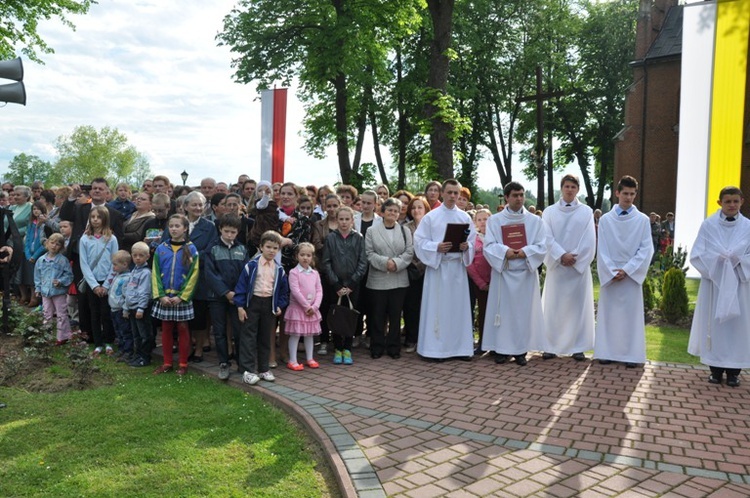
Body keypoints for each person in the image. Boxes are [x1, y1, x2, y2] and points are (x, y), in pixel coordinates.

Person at [688, 186, 750, 387]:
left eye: (735, 201)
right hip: (715, 286)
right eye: (727, 201)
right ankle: (715, 369)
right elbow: (697, 254)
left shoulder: (748, 226)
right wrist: (719, 262)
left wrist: (738, 261)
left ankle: (734, 372)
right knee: (715, 326)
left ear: (742, 201)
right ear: (719, 203)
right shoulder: (708, 225)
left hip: (739, 285)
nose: (732, 205)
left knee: (737, 327)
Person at [482, 182, 548, 366]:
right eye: (515, 195)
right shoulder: (495, 220)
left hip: (526, 273)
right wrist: (505, 252)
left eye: (521, 195)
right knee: (502, 313)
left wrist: (525, 251)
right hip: (504, 273)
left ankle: (521, 350)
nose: (519, 198)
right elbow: (489, 245)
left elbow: (542, 246)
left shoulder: (535, 221)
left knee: (522, 314)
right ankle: (501, 350)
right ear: (506, 197)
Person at [594, 175, 654, 368]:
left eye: (632, 194)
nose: (628, 198)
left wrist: (627, 270)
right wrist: (612, 271)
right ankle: (606, 352)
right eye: (625, 193)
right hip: (612, 275)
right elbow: (601, 249)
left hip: (630, 275)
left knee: (630, 316)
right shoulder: (606, 220)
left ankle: (631, 355)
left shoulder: (643, 220)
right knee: (609, 315)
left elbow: (646, 249)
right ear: (617, 193)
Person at [413, 179, 476, 360]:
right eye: (449, 192)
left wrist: (466, 247)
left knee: (458, 310)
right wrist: (436, 247)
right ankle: (435, 350)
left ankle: (460, 349)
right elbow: (419, 241)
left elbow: (472, 242)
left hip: (457, 269)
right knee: (438, 309)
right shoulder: (431, 217)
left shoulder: (464, 218)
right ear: (443, 193)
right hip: (439, 269)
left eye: (456, 193)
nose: (453, 196)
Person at [540, 175, 596, 362]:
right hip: (558, 268)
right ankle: (550, 346)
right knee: (554, 308)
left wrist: (575, 258)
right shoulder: (549, 212)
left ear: (578, 189)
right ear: (561, 188)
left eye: (573, 186)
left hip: (577, 269)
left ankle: (577, 347)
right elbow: (546, 237)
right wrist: (560, 255)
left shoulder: (586, 211)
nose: (569, 190)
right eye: (566, 186)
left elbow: (589, 238)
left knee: (577, 309)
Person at [234, 230, 289, 385]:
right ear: (261, 247)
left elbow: (284, 291)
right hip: (252, 304)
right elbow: (241, 287)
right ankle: (248, 371)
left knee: (266, 337)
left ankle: (264, 368)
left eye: (275, 248)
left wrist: (279, 305)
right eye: (268, 247)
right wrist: (240, 306)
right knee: (249, 337)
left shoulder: (279, 269)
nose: (271, 251)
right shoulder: (251, 266)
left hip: (269, 304)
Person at [365, 198, 413, 359]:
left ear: (399, 214)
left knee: (395, 315)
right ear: (383, 211)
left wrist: (396, 263)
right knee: (378, 315)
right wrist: (386, 263)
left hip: (399, 278)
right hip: (378, 278)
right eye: (390, 210)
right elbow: (369, 253)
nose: (392, 213)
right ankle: (377, 346)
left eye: (396, 211)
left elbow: (409, 252)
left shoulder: (405, 231)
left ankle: (394, 347)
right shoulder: (372, 230)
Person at [152, 214, 200, 376]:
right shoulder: (161, 248)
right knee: (166, 328)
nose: (173, 229)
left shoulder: (192, 249)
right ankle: (166, 363)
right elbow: (155, 273)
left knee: (183, 328)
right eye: (171, 226)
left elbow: (194, 274)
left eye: (177, 226)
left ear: (185, 228)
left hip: (181, 298)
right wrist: (160, 295)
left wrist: (182, 296)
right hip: (165, 297)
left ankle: (183, 363)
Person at [204, 214, 249, 380]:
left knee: (239, 330)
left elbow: (246, 274)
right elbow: (210, 274)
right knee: (220, 331)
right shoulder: (212, 249)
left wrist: (237, 294)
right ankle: (223, 362)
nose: (230, 235)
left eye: (233, 232)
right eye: (226, 231)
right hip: (217, 297)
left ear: (238, 232)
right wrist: (225, 292)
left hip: (237, 298)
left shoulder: (242, 249)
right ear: (220, 230)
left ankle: (242, 363)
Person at [322, 206, 367, 365]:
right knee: (336, 316)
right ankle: (337, 348)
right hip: (336, 285)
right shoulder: (331, 238)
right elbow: (326, 263)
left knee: (349, 316)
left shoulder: (359, 237)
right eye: (341, 219)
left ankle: (347, 348)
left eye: (347, 219)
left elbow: (362, 262)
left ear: (352, 220)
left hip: (352, 285)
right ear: (337, 220)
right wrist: (336, 284)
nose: (344, 222)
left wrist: (352, 283)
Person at [79, 206, 119, 357]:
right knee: (94, 313)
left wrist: (107, 285)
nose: (95, 220)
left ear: (105, 219)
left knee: (106, 313)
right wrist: (94, 285)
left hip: (108, 282)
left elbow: (115, 263)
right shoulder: (85, 239)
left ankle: (109, 341)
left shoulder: (111, 239)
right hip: (92, 283)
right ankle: (98, 343)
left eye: (99, 217)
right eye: (93, 216)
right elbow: (84, 263)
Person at [285, 242, 323, 370]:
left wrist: (315, 307)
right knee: (295, 334)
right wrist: (306, 306)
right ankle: (293, 360)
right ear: (297, 256)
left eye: (308, 255)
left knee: (309, 334)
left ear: (312, 257)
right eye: (302, 255)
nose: (305, 258)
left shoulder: (315, 273)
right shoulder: (294, 272)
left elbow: (319, 291)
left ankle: (310, 358)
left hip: (312, 310)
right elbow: (295, 291)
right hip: (298, 309)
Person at [311, 193, 340, 355]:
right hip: (323, 271)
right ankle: (323, 340)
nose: (332, 209)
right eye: (328, 206)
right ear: (324, 207)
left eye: (335, 205)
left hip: (341, 272)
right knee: (323, 306)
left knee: (338, 307)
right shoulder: (319, 225)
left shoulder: (346, 222)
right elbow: (316, 244)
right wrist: (336, 248)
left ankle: (338, 340)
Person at [34, 233, 73, 345]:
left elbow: (69, 275)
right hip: (45, 292)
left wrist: (60, 281)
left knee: (61, 314)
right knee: (46, 313)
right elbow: (37, 276)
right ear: (47, 243)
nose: (54, 246)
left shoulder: (63, 260)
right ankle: (46, 335)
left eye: (57, 244)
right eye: (52, 243)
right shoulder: (41, 260)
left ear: (61, 247)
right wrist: (38, 289)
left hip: (58, 292)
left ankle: (63, 337)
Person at [403, 196, 430, 353]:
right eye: (413, 207)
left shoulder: (431, 227)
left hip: (429, 270)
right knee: (411, 306)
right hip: (411, 270)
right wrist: (415, 264)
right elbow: (404, 248)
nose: (416, 210)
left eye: (420, 207)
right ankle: (411, 338)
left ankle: (425, 339)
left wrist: (424, 263)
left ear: (426, 209)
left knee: (426, 306)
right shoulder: (406, 227)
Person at [123, 242, 153, 368]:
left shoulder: (146, 273)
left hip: (140, 308)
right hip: (131, 307)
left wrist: (141, 308)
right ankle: (138, 355)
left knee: (144, 334)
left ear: (147, 256)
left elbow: (144, 292)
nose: (138, 258)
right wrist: (125, 307)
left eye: (141, 255)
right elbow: (129, 290)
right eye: (135, 255)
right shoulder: (133, 270)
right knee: (136, 335)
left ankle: (145, 357)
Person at [466, 208, 491, 354]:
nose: (483, 223)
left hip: (493, 283)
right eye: (479, 220)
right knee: (480, 313)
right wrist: (481, 283)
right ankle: (481, 342)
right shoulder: (473, 239)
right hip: (477, 283)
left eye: (486, 219)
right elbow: (469, 263)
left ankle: (492, 343)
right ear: (475, 222)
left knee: (491, 313)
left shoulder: (495, 238)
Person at [107, 250, 133, 361]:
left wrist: (126, 309)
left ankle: (128, 351)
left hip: (121, 309)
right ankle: (121, 349)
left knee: (125, 331)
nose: (113, 267)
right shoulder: (117, 276)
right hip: (114, 309)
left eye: (115, 265)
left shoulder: (127, 278)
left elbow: (127, 296)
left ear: (125, 264)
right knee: (118, 331)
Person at [23, 201, 48, 308]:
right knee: (32, 278)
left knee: (42, 277)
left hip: (40, 254)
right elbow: (27, 240)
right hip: (31, 255)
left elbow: (45, 243)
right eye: (34, 209)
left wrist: (35, 255)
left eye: (38, 209)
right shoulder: (31, 223)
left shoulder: (45, 223)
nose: (36, 211)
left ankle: (42, 302)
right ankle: (34, 297)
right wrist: (28, 255)